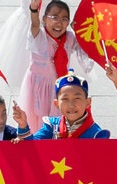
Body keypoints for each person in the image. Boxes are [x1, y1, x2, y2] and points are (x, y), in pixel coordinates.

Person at [19, 0, 93, 133]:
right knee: (39, 121)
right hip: (39, 86)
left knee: (59, 120)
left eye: (64, 19)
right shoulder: (39, 36)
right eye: (54, 17)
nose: (59, 23)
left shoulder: (70, 37)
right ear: (44, 19)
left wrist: (80, 32)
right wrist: (34, 9)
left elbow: (84, 50)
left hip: (59, 86)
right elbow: (34, 24)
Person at [22, 70, 110, 140]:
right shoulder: (52, 126)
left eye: (77, 98)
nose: (71, 105)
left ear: (88, 102)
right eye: (65, 99)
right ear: (56, 104)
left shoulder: (96, 134)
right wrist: (23, 125)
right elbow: (32, 146)